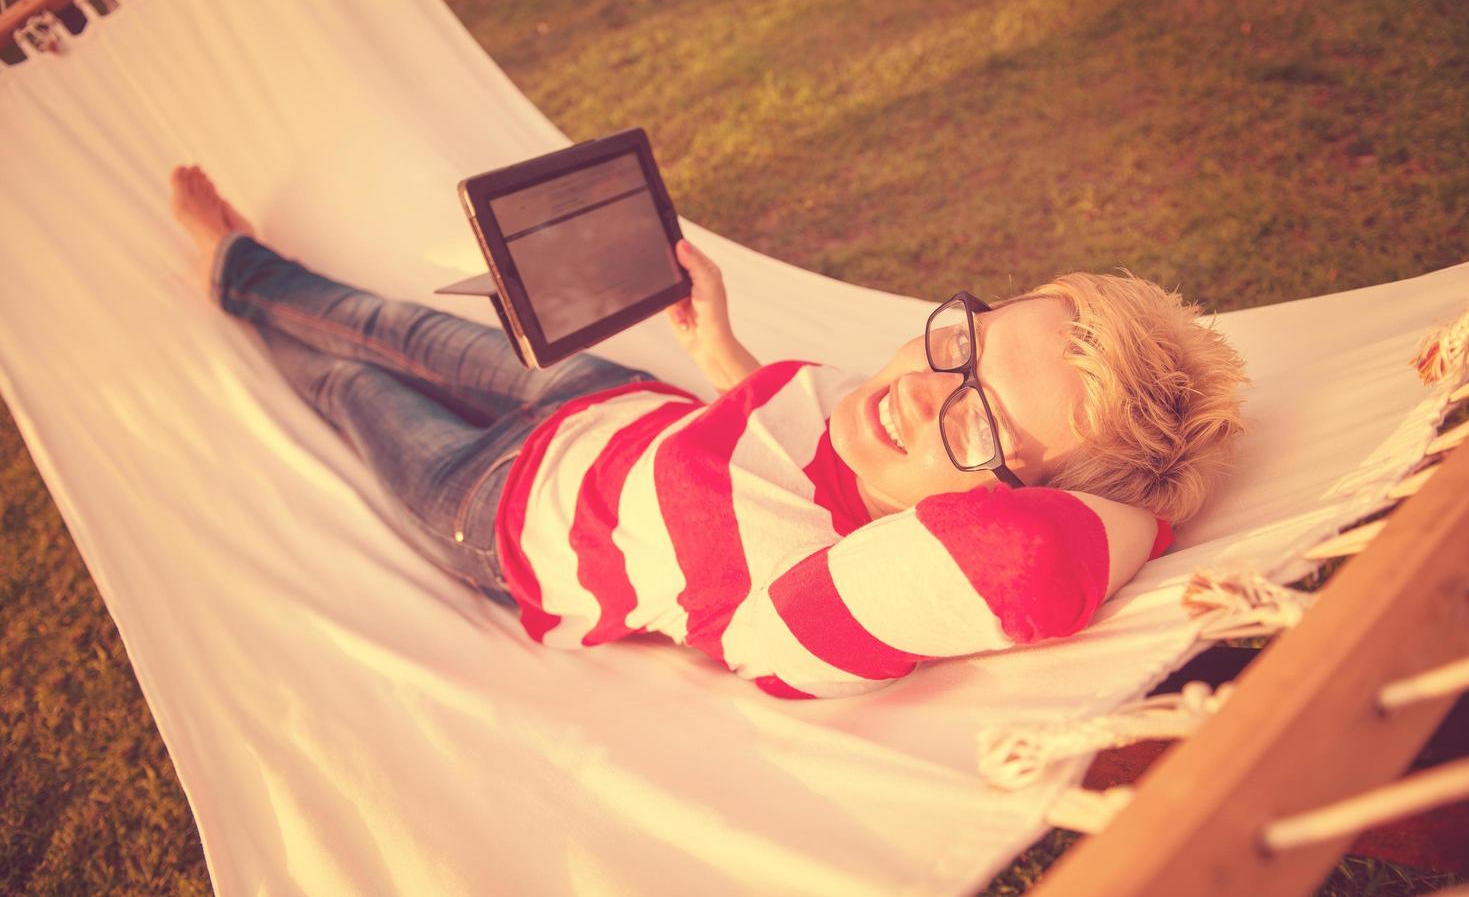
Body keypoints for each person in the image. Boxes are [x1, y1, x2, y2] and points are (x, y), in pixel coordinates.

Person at [170, 165, 1248, 699]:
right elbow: (765, 419)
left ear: (1001, 499)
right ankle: (257, 272)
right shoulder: (872, 421)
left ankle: (236, 288)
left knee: (354, 389)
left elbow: (1034, 557)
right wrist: (714, 342)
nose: (923, 386)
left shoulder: (817, 588)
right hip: (599, 402)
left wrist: (1130, 509)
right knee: (391, 325)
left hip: (490, 511)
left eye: (979, 415)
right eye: (961, 341)